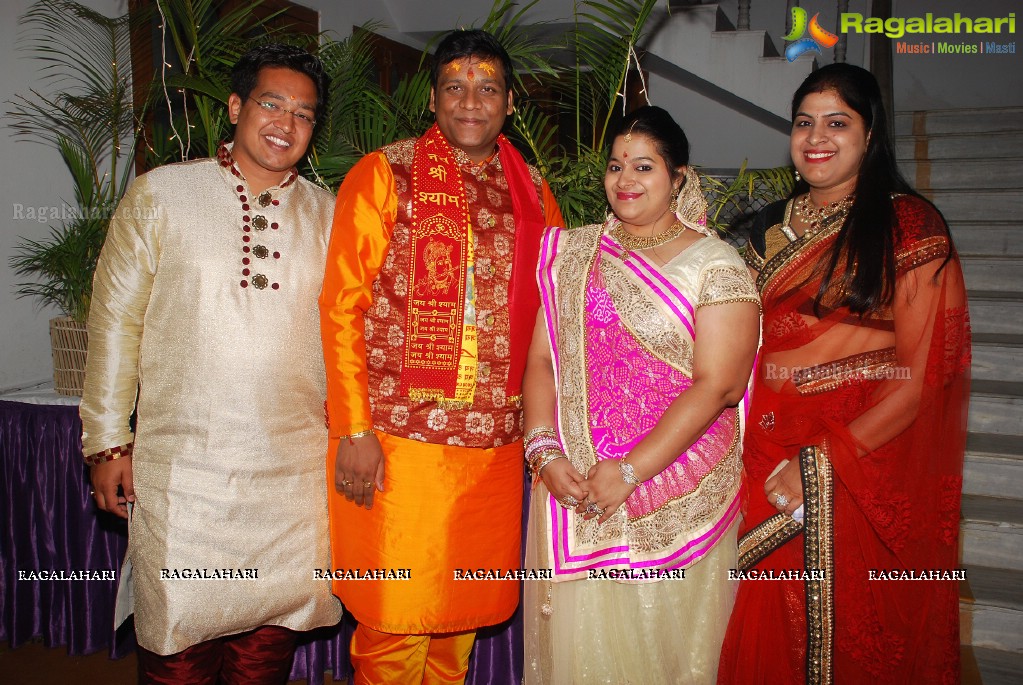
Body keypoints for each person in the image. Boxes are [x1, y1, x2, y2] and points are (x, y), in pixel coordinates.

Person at [80, 43, 343, 683]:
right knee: (177, 649)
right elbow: (115, 322)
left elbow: (351, 336)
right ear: (236, 106)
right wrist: (108, 443)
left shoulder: (331, 216)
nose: (286, 123)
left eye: (304, 114)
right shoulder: (162, 195)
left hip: (293, 474)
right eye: (271, 103)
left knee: (266, 652)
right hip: (183, 472)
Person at [319, 28, 564, 684]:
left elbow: (555, 320)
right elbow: (342, 306)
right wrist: (354, 428)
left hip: (491, 454)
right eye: (454, 86)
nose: (470, 101)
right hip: (398, 447)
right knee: (394, 622)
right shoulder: (384, 173)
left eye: (487, 88)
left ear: (510, 102)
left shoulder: (535, 194)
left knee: (456, 629)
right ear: (432, 98)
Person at [717, 63, 970, 683]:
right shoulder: (763, 232)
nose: (816, 137)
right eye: (804, 123)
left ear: (870, 134)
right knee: (764, 626)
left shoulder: (910, 226)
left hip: (858, 461)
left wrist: (822, 462)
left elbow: (922, 375)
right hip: (758, 453)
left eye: (838, 122)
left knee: (856, 635)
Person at [521, 105, 761, 684]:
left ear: (679, 176)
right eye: (615, 165)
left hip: (674, 481)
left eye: (645, 166)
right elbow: (540, 360)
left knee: (666, 654)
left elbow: (720, 385)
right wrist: (543, 452)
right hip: (574, 479)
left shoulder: (716, 265)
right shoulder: (573, 254)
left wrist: (630, 470)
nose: (625, 180)